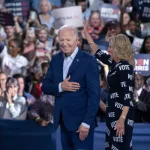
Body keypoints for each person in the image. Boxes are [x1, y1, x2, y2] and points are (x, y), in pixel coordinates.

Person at [41, 25, 100, 150]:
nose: (64, 43)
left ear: (77, 40)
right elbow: (45, 87)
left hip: (82, 125)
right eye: (62, 40)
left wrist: (86, 123)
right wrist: (60, 86)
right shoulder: (56, 59)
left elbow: (94, 96)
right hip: (62, 122)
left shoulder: (89, 61)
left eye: (68, 40)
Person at [83, 22, 135, 150]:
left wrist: (122, 119)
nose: (109, 49)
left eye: (111, 47)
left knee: (120, 146)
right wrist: (88, 36)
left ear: (119, 48)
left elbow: (128, 96)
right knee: (111, 146)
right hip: (113, 111)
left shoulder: (125, 67)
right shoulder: (115, 63)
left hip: (122, 114)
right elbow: (98, 53)